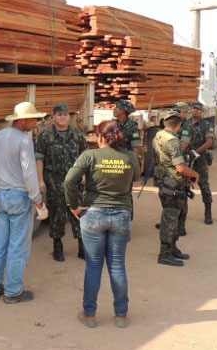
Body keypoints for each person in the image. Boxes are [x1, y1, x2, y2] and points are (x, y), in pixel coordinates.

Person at [65, 121, 140, 329]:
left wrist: (73, 206)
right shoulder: (130, 157)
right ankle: (121, 315)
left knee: (94, 266)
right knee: (117, 266)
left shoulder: (90, 155)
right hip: (122, 215)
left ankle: (89, 314)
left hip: (94, 213)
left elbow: (69, 181)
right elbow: (136, 177)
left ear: (99, 137)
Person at [0, 101, 46, 303]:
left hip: (1, 195)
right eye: (33, 119)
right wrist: (38, 201)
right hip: (19, 198)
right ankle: (13, 292)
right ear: (22, 121)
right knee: (18, 247)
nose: (36, 122)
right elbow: (29, 174)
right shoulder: (24, 141)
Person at [35, 103, 88, 262]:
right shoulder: (45, 136)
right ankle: (58, 247)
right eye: (59, 114)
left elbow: (85, 155)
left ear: (69, 117)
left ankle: (82, 247)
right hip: (54, 182)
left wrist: (85, 173)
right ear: (53, 117)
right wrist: (40, 179)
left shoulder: (77, 134)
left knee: (78, 214)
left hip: (74, 183)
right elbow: (39, 158)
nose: (63, 117)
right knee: (57, 216)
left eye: (65, 114)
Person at [153, 110, 199, 267]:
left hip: (163, 181)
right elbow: (180, 167)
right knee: (169, 219)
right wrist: (194, 174)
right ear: (179, 125)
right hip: (173, 183)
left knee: (171, 217)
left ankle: (172, 249)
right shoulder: (173, 141)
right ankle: (164, 254)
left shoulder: (158, 136)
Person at [180, 101, 215, 225]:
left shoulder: (206, 124)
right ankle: (180, 215)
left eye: (198, 109)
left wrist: (196, 152)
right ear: (191, 110)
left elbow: (209, 142)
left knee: (204, 185)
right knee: (182, 186)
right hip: (185, 159)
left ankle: (208, 212)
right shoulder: (184, 123)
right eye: (194, 108)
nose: (196, 111)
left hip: (199, 159)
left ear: (202, 112)